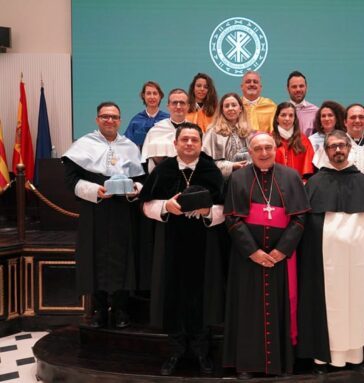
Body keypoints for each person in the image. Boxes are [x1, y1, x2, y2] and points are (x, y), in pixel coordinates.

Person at [140, 122, 225, 376]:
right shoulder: (163, 170)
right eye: (184, 140)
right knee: (173, 297)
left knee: (203, 297)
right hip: (170, 245)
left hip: (205, 246)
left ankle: (202, 351)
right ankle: (176, 351)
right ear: (175, 143)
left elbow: (226, 207)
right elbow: (146, 205)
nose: (189, 144)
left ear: (201, 144)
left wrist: (209, 211)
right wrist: (166, 207)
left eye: (194, 140)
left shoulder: (211, 170)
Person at [223, 133, 310, 379]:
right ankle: (247, 365)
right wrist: (254, 252)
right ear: (250, 152)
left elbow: (300, 217)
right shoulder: (238, 178)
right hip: (247, 259)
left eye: (268, 148)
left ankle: (281, 364)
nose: (264, 153)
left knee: (281, 308)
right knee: (247, 311)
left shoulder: (291, 176)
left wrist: (282, 251)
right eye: (258, 148)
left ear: (276, 150)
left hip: (282, 258)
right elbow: (232, 218)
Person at [297, 130, 364, 373]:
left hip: (357, 259)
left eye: (342, 146)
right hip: (325, 260)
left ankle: (355, 356)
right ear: (325, 151)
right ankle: (323, 358)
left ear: (349, 149)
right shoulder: (314, 182)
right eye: (333, 146)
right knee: (327, 306)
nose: (338, 150)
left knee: (356, 304)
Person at [62, 101, 144, 329]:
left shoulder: (130, 146)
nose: (110, 120)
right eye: (105, 116)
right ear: (97, 119)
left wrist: (134, 190)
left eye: (114, 117)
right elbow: (70, 180)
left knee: (123, 259)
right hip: (94, 209)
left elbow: (142, 180)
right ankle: (98, 310)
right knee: (94, 258)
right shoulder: (83, 144)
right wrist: (94, 191)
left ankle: (120, 309)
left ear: (120, 120)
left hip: (122, 211)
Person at [202, 92, 252, 179]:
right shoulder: (213, 132)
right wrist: (232, 166)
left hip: (247, 179)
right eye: (226, 106)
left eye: (234, 105)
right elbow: (205, 162)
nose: (230, 108)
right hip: (222, 183)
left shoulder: (248, 131)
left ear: (240, 109)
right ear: (222, 110)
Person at [141, 88, 189, 172]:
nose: (178, 106)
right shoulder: (154, 131)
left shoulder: (195, 131)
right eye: (174, 103)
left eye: (182, 103)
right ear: (168, 106)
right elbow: (146, 162)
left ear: (188, 106)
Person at [272, 102, 314, 181]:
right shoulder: (269, 139)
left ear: (295, 119)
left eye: (291, 115)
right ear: (277, 118)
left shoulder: (304, 140)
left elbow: (308, 170)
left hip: (298, 185)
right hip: (275, 185)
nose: (287, 118)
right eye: (283, 115)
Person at [124, 81, 170, 148]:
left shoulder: (167, 119)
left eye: (155, 93)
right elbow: (127, 143)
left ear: (160, 96)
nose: (152, 97)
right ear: (143, 96)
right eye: (148, 93)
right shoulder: (136, 121)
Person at [286, 71, 318, 137]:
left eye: (301, 86)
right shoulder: (280, 112)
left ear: (306, 87)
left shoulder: (316, 112)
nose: (298, 89)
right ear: (287, 89)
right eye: (294, 87)